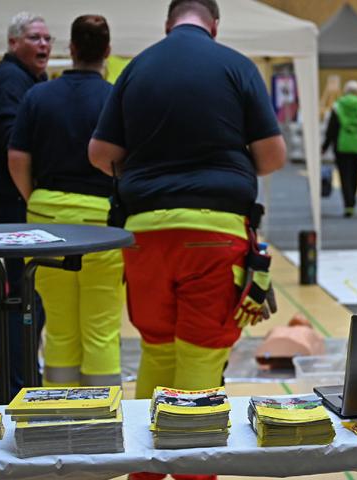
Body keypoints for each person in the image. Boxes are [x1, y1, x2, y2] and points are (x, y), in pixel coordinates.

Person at [89, 2, 285, 476]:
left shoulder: (136, 69)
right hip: (214, 236)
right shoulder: (237, 67)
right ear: (214, 25)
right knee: (200, 358)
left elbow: (99, 153)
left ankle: (144, 471)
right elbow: (273, 155)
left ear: (168, 24)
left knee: (156, 350)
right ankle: (193, 470)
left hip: (145, 236)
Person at [7, 15, 123, 388]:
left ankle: (59, 410)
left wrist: (37, 200)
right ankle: (103, 412)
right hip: (102, 223)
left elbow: (17, 159)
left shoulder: (37, 96)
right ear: (107, 51)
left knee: (58, 324)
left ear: (70, 49)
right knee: (101, 325)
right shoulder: (115, 98)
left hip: (47, 220)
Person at [0, 11, 51, 397]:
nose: (44, 44)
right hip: (8, 201)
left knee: (29, 293)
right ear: (13, 42)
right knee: (22, 294)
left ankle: (25, 378)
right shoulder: (9, 81)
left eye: (47, 38)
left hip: (14, 198)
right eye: (35, 38)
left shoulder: (31, 80)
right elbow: (15, 145)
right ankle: (20, 385)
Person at [321, 80, 357, 218]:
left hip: (342, 146)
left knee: (345, 175)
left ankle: (348, 204)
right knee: (355, 173)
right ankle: (352, 201)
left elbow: (332, 129)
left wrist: (324, 147)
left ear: (345, 91)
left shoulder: (338, 106)